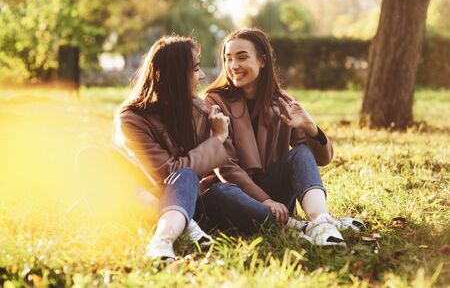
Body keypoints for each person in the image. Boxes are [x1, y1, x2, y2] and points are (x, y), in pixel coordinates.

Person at [204, 28, 364, 246]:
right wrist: (266, 201)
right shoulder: (214, 101)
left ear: (262, 61)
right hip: (236, 195)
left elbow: (315, 160)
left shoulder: (282, 102)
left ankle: (320, 221)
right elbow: (224, 166)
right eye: (228, 58)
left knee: (301, 152)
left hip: (276, 194)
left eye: (242, 57)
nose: (233, 66)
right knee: (218, 192)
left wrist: (311, 128)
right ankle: (303, 226)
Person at [112, 35, 231, 259]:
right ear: (172, 75)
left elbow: (202, 174)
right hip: (140, 196)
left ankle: (178, 227)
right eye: (195, 69)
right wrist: (217, 139)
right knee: (182, 175)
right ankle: (167, 237)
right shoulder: (131, 119)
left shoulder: (199, 109)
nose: (202, 76)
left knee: (188, 177)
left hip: (189, 195)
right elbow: (167, 173)